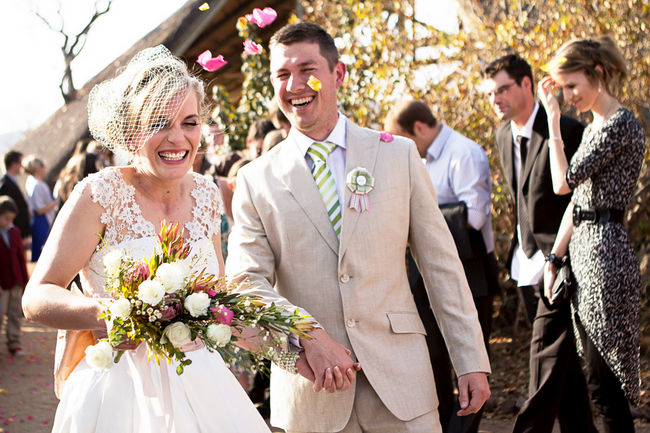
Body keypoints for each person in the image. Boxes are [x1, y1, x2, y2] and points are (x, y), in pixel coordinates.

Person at [226, 21, 490, 433]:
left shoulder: (399, 156)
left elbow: (441, 265)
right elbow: (244, 284)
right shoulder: (255, 179)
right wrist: (305, 337)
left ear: (339, 73)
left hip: (403, 388)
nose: (294, 84)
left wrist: (470, 358)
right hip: (312, 397)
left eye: (306, 69)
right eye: (282, 74)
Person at [21, 45, 271, 433]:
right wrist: (103, 315)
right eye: (159, 122)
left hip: (203, 386)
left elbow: (219, 297)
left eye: (189, 123)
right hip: (117, 393)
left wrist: (296, 349)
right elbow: (37, 296)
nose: (177, 138)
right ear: (130, 129)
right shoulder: (99, 194)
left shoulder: (207, 195)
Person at [482, 54, 596, 433]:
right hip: (525, 264)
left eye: (502, 89)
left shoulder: (567, 128)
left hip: (563, 263)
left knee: (545, 360)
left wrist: (561, 257)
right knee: (564, 371)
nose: (495, 99)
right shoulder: (502, 135)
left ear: (527, 84)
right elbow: (521, 200)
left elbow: (579, 198)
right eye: (490, 93)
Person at [538, 35, 645, 433]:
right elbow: (577, 202)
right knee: (597, 384)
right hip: (583, 253)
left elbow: (562, 183)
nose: (567, 96)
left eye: (572, 86)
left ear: (597, 73)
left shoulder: (619, 125)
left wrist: (551, 121)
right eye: (562, 88)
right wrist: (554, 258)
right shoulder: (596, 126)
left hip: (605, 257)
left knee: (607, 389)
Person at [384, 99, 499, 433]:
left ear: (418, 129)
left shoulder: (465, 152)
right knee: (432, 359)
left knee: (469, 363)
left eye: (402, 139)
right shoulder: (417, 159)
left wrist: (416, 217)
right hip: (424, 274)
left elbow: (475, 216)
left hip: (470, 269)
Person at [0, 196, 29, 356]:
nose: (9, 222)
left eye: (11, 219)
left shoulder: (15, 232)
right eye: (6, 218)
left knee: (14, 313)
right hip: (2, 283)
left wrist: (25, 279)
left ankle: (14, 342)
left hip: (16, 280)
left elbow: (20, 257)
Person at [23, 156, 59, 262]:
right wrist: (56, 202)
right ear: (38, 168)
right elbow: (39, 209)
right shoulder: (36, 185)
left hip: (39, 221)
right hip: (41, 221)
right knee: (43, 255)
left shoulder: (32, 182)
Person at [0, 151, 31, 240]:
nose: (22, 166)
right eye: (20, 163)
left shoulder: (11, 182)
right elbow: (8, 212)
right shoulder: (5, 185)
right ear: (14, 164)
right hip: (15, 236)